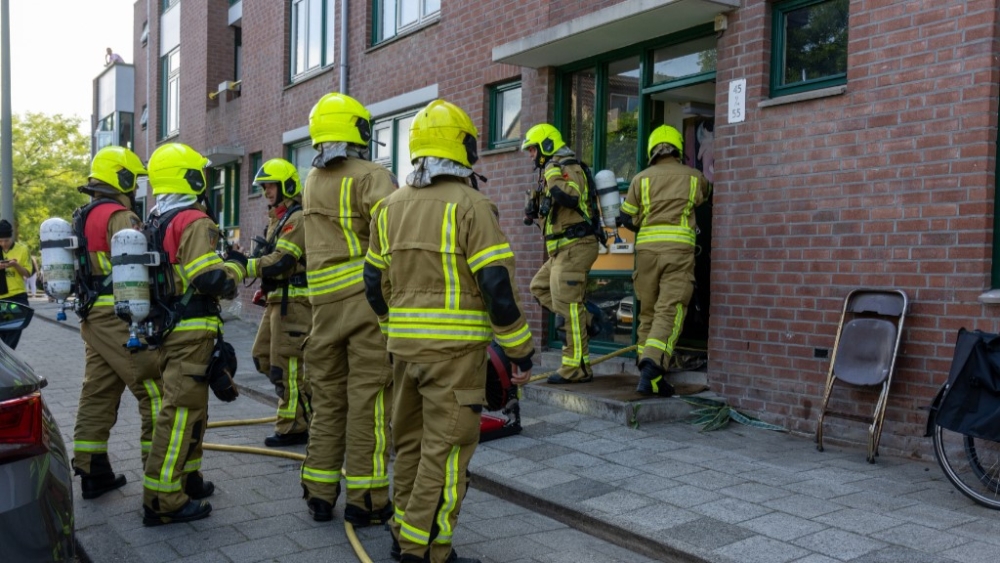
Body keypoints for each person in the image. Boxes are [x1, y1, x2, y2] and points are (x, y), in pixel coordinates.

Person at [365, 99, 534, 563]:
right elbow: (496, 288)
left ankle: (404, 530)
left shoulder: (389, 207)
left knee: (411, 444)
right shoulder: (473, 206)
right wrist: (520, 352)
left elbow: (372, 284)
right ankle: (426, 550)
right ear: (464, 149)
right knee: (448, 452)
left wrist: (391, 328)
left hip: (404, 352)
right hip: (456, 357)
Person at [300, 92, 395, 526]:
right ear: (356, 129)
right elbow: (395, 239)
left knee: (327, 400)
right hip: (365, 304)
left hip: (322, 308)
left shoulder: (311, 180)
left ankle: (319, 493)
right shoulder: (373, 176)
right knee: (368, 401)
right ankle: (367, 499)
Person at [141, 142, 248, 526]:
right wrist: (238, 267)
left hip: (171, 328)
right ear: (190, 176)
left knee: (193, 411)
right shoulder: (193, 221)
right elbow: (209, 278)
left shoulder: (157, 219)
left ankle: (188, 479)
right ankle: (163, 501)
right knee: (180, 414)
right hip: (189, 331)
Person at [69, 146, 163, 500]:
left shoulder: (83, 214)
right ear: (120, 177)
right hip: (119, 316)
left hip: (93, 316)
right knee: (154, 389)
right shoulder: (121, 217)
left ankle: (93, 470)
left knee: (99, 390)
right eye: (134, 179)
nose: (136, 187)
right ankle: (162, 479)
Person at [617, 125, 709, 396]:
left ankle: (650, 374)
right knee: (671, 308)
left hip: (645, 255)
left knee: (648, 311)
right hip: (678, 253)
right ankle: (652, 369)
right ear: (677, 148)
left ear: (652, 150)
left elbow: (627, 217)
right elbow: (704, 197)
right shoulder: (695, 177)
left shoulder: (640, 180)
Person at [521, 123, 599, 384]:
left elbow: (571, 198)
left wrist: (552, 175)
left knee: (568, 306)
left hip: (577, 245)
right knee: (539, 287)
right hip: (559, 250)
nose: (531, 156)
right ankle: (586, 318)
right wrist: (534, 211)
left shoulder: (568, 168)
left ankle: (577, 367)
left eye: (533, 150)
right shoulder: (551, 172)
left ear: (546, 145)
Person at [247, 158, 312, 447]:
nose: (266, 191)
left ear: (286, 185)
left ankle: (294, 426)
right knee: (262, 358)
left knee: (287, 366)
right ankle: (305, 408)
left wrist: (246, 266)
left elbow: (283, 259)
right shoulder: (278, 218)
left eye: (271, 185)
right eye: (264, 187)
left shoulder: (297, 218)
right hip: (277, 301)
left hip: (295, 303)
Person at [0, 219, 34, 349]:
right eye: (0, 240)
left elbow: (27, 274)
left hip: (16, 297)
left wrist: (15, 265)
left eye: (6, 240)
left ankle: (7, 358)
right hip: (1, 299)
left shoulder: (22, 249)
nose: (3, 244)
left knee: (14, 330)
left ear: (11, 237)